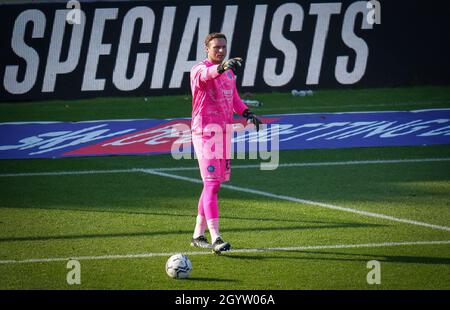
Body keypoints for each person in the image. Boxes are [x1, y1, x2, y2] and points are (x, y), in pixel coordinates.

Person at [189, 32, 262, 254]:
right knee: (211, 184)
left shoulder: (229, 73)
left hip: (224, 134)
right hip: (205, 133)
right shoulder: (199, 70)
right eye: (216, 47)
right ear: (206, 49)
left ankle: (197, 235)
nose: (220, 51)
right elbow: (208, 75)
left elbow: (235, 99)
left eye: (223, 47)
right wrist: (220, 68)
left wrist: (247, 112)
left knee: (214, 184)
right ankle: (216, 237)